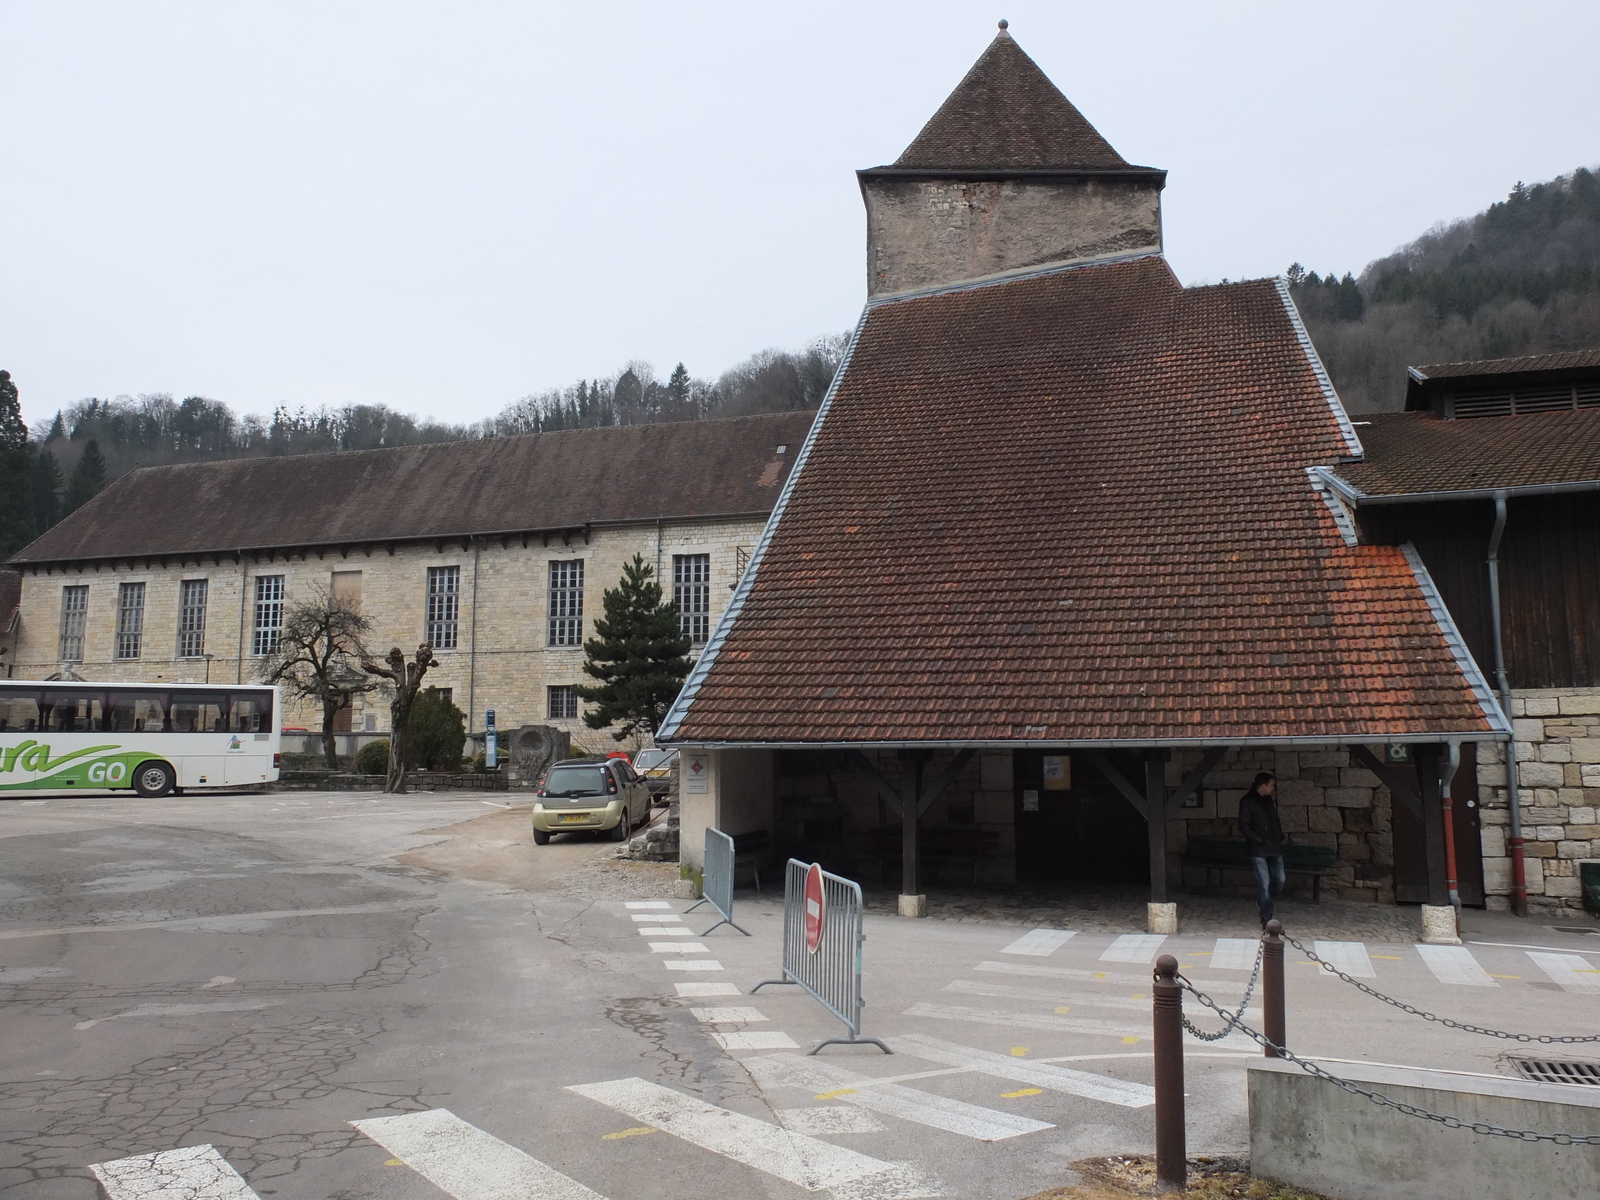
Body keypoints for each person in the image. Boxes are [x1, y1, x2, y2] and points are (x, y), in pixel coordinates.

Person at [1238, 772, 1285, 928]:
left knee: (1279, 880)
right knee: (1264, 883)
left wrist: (1279, 836)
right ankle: (1266, 917)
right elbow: (1244, 826)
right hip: (1258, 849)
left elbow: (1274, 820)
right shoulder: (1247, 801)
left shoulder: (1268, 801)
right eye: (1271, 785)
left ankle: (1263, 901)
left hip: (1274, 847)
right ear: (1264, 786)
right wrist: (1260, 839)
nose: (1273, 788)